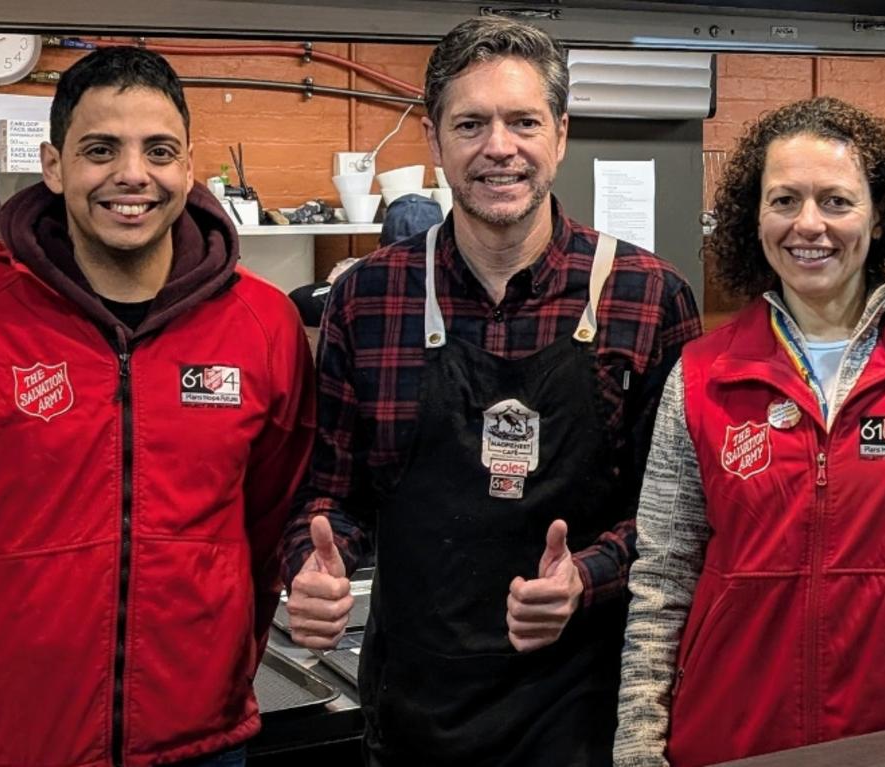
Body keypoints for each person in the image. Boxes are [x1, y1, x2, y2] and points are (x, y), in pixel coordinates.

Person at [282, 16, 701, 766]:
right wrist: (316, 565)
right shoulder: (368, 298)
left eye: (523, 121)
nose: (498, 146)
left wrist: (587, 573)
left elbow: (678, 524)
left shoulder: (650, 296)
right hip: (415, 713)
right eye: (470, 123)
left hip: (584, 713)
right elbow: (331, 494)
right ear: (436, 141)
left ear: (561, 134)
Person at [614, 96, 885, 766]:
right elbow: (663, 577)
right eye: (785, 200)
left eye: (836, 201)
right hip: (732, 737)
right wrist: (638, 743)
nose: (809, 225)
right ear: (754, 217)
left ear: (880, 216)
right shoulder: (705, 373)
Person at [0, 47, 315, 766]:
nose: (132, 174)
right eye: (100, 149)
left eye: (158, 150)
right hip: (15, 740)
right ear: (53, 164)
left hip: (201, 740)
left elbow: (267, 521)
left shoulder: (263, 324)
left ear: (188, 167)